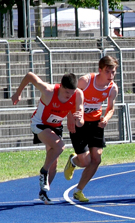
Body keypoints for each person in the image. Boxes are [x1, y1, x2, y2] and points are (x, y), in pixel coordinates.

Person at [12, 72, 84, 204]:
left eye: (71, 93)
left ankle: (43, 192)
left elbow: (81, 122)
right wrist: (18, 93)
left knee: (54, 164)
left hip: (56, 126)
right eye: (67, 92)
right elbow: (29, 75)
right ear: (61, 86)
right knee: (60, 146)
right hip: (39, 124)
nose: (69, 96)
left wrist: (78, 119)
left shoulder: (78, 94)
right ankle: (43, 171)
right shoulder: (48, 90)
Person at [62, 56, 119, 202]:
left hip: (96, 123)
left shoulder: (112, 88)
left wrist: (106, 118)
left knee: (97, 158)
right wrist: (69, 117)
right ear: (100, 70)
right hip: (78, 122)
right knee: (86, 161)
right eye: (108, 72)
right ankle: (74, 161)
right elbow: (69, 97)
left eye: (114, 72)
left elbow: (111, 107)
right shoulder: (86, 81)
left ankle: (79, 190)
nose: (111, 76)